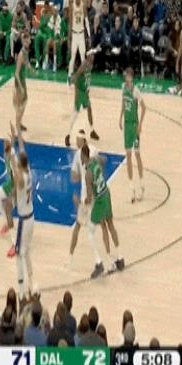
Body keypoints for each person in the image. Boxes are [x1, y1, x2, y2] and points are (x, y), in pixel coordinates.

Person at [82, 144, 125, 278]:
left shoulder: (88, 174)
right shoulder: (96, 160)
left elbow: (89, 198)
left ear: (83, 156)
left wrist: (83, 202)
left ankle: (108, 262)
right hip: (106, 193)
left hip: (100, 200)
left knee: (101, 229)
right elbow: (105, 160)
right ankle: (120, 257)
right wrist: (102, 171)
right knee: (111, 225)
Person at [66, 130, 103, 270]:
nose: (76, 142)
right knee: (88, 227)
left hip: (88, 197)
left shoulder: (79, 155)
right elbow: (102, 163)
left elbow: (73, 178)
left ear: (83, 141)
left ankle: (99, 261)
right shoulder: (93, 150)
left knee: (88, 232)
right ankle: (70, 259)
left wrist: (79, 201)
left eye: (77, 140)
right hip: (94, 194)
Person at [9, 123, 35, 301]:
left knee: (19, 253)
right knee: (27, 252)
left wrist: (11, 151)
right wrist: (17, 137)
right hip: (31, 218)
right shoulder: (29, 171)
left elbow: (15, 168)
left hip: (24, 220)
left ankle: (20, 291)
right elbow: (23, 150)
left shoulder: (21, 178)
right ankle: (31, 284)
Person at [119, 68, 146, 203]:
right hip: (127, 125)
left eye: (127, 76)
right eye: (125, 76)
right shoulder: (123, 88)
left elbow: (144, 108)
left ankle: (141, 185)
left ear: (131, 77)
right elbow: (123, 104)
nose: (125, 78)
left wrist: (140, 125)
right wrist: (120, 118)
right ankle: (131, 189)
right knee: (128, 156)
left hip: (134, 125)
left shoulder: (136, 91)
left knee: (137, 154)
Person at [65, 52, 100, 147]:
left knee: (89, 109)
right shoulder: (84, 64)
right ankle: (68, 135)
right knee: (75, 114)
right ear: (88, 56)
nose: (93, 56)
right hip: (80, 92)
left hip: (85, 91)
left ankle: (92, 131)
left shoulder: (91, 65)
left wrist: (88, 88)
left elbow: (87, 79)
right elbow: (77, 76)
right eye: (92, 55)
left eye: (94, 55)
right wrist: (73, 86)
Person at [0, 135, 16, 258]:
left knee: (9, 212)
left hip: (16, 188)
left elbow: (16, 177)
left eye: (6, 142)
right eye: (3, 142)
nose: (3, 144)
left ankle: (15, 244)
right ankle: (7, 223)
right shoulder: (7, 153)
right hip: (9, 185)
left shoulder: (12, 157)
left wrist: (12, 194)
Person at [68, 0, 91, 83]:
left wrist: (89, 35)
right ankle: (69, 76)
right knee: (73, 56)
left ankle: (85, 77)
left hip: (81, 34)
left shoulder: (83, 5)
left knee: (82, 56)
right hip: (74, 34)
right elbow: (70, 22)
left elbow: (86, 20)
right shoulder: (72, 6)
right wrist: (69, 36)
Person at [13, 32, 33, 133]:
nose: (28, 42)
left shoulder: (26, 51)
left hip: (22, 79)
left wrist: (31, 69)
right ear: (23, 42)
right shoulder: (21, 54)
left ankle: (19, 123)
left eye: (28, 40)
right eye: (25, 41)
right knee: (20, 106)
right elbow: (16, 73)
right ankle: (17, 127)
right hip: (19, 81)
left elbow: (27, 61)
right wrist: (20, 87)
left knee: (24, 102)